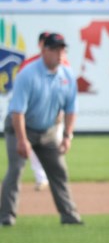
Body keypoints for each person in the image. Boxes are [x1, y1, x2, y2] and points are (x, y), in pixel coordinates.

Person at [1, 33, 82, 227]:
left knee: (59, 170)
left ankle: (69, 215)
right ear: (44, 51)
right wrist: (22, 140)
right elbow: (17, 112)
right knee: (16, 169)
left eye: (62, 49)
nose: (59, 53)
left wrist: (67, 136)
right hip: (19, 128)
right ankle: (6, 216)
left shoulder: (67, 75)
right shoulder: (28, 74)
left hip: (47, 131)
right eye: (54, 49)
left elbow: (71, 109)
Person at [18, 32, 62, 191]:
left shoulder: (61, 63)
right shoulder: (29, 64)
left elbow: (64, 88)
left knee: (56, 147)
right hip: (35, 116)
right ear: (41, 46)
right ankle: (41, 178)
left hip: (55, 114)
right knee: (35, 150)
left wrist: (61, 111)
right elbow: (21, 89)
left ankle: (53, 177)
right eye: (45, 42)